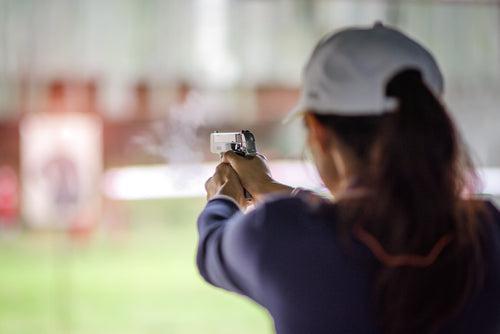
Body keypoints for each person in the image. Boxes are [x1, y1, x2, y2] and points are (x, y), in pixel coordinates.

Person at [196, 23, 500, 334]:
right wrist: (269, 189)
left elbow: (212, 248)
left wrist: (223, 196)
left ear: (318, 131)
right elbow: (374, 224)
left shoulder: (280, 233)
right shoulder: (488, 231)